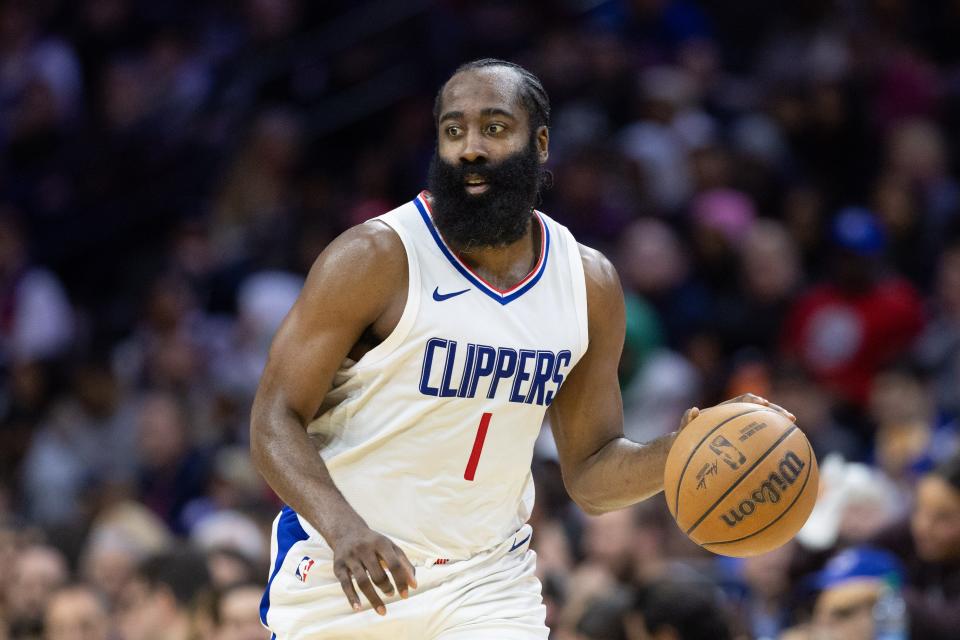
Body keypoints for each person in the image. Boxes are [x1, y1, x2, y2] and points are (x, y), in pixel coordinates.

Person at [250, 58, 792, 639]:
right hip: (352, 572)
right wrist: (343, 527)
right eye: (453, 130)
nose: (471, 148)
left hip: (487, 581)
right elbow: (274, 418)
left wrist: (683, 449)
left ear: (539, 144)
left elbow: (591, 473)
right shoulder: (374, 257)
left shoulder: (587, 283)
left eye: (494, 127)